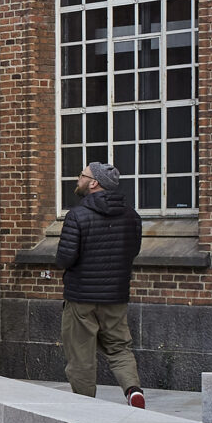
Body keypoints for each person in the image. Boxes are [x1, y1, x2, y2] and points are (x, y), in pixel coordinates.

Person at [56, 161, 146, 408]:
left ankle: (87, 408)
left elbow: (65, 258)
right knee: (119, 348)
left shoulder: (77, 215)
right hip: (115, 296)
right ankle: (133, 390)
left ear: (94, 183)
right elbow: (132, 251)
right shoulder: (132, 216)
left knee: (81, 356)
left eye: (82, 175)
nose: (78, 179)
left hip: (81, 298)